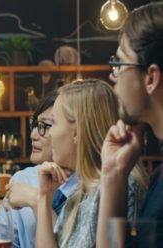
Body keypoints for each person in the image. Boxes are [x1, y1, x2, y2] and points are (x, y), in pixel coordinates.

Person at [35, 79, 149, 248]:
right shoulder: (79, 192)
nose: (49, 133)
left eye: (53, 123)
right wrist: (44, 197)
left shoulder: (123, 186)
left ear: (76, 131)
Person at [96, 2, 163, 247]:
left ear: (151, 78)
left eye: (120, 64)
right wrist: (113, 173)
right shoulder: (158, 177)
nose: (113, 76)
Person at [0, 90, 76, 248]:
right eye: (34, 125)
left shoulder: (93, 185)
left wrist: (37, 200)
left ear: (76, 132)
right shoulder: (23, 179)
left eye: (46, 126)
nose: (33, 135)